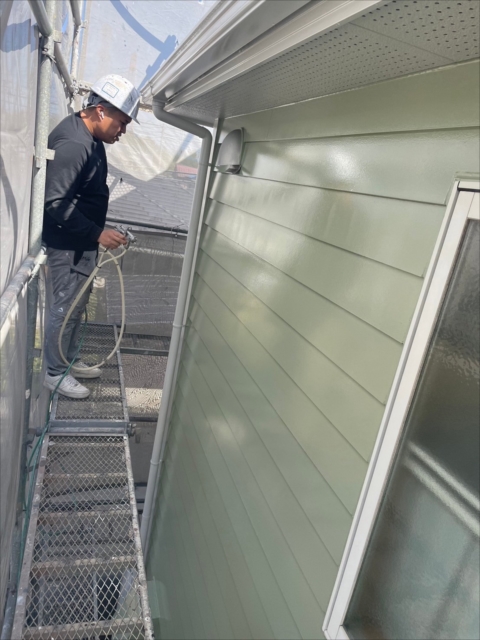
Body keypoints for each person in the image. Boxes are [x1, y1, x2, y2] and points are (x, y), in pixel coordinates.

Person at [43, 74, 140, 399]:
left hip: (81, 242)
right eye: (121, 122)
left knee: (76, 306)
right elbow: (55, 203)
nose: (122, 130)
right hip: (67, 245)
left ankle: (67, 361)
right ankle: (55, 373)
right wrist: (98, 233)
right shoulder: (74, 144)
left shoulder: (91, 138)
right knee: (64, 308)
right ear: (100, 111)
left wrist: (98, 233)